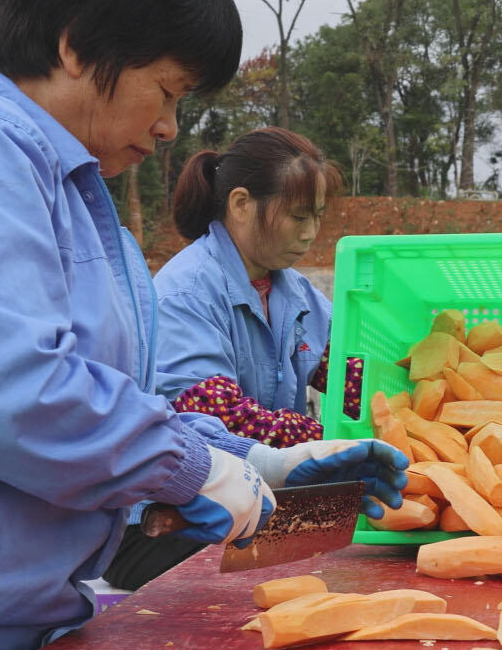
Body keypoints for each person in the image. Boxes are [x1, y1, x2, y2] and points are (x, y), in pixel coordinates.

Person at [0, 0, 407, 650]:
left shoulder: (70, 188)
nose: (172, 127)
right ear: (76, 46)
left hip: (30, 613)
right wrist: (190, 467)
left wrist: (257, 459)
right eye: (168, 90)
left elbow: (111, 395)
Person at [104, 127, 360, 588]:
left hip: (257, 495)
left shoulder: (294, 289)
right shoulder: (187, 292)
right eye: (298, 216)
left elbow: (348, 373)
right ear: (241, 204)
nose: (310, 234)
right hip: (172, 520)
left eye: (317, 217)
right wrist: (339, 444)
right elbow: (227, 423)